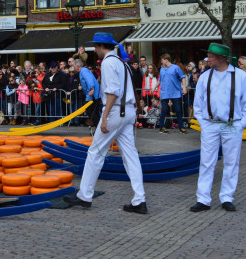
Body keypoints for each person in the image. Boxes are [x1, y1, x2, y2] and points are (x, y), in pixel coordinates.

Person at [64, 33, 147, 214]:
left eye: (95, 47)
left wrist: (104, 117)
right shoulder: (122, 63)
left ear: (102, 46)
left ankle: (84, 196)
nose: (95, 50)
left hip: (116, 110)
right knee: (130, 156)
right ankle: (139, 199)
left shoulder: (109, 63)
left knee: (95, 152)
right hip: (127, 111)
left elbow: (113, 92)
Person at [191, 43, 246, 212]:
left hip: (232, 125)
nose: (207, 59)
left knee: (231, 162)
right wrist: (203, 124)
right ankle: (203, 199)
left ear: (221, 58)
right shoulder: (205, 77)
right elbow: (198, 104)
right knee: (206, 162)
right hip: (210, 124)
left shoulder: (240, 76)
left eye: (211, 56)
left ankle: (227, 197)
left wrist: (241, 124)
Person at [158, 54, 188, 133]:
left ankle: (181, 127)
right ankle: (162, 127)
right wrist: (154, 88)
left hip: (175, 92)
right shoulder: (162, 69)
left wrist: (184, 88)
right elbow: (160, 80)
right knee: (164, 110)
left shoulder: (176, 68)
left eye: (162, 60)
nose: (161, 61)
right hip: (164, 92)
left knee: (178, 110)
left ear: (166, 60)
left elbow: (183, 77)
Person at [74, 59, 100, 132]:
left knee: (91, 111)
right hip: (91, 95)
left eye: (74, 66)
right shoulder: (82, 71)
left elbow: (90, 80)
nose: (73, 68)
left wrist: (92, 89)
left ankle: (98, 129)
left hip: (93, 95)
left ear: (77, 66)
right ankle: (98, 128)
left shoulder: (84, 71)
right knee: (92, 112)